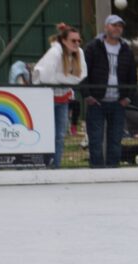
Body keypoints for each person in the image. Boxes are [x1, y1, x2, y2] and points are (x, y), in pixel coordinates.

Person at [83, 14, 137, 168]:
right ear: (106, 27)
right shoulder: (93, 47)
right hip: (97, 102)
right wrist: (87, 95)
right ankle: (97, 170)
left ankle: (113, 170)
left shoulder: (126, 49)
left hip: (118, 103)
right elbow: (83, 73)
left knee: (115, 140)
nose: (117, 28)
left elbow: (132, 77)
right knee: (95, 139)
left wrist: (128, 97)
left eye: (120, 26)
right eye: (114, 25)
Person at [33, 23, 87, 168]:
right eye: (73, 40)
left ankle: (55, 166)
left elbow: (81, 76)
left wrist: (61, 78)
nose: (77, 43)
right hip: (46, 99)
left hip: (63, 99)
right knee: (45, 134)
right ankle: (41, 165)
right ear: (64, 40)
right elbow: (46, 77)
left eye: (79, 41)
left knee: (60, 135)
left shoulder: (79, 53)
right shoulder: (55, 53)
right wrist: (67, 79)